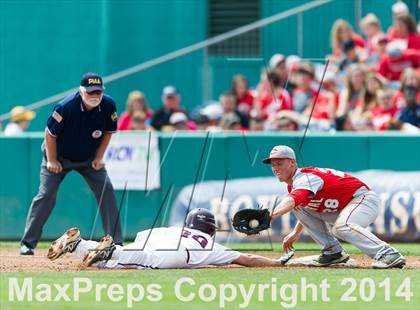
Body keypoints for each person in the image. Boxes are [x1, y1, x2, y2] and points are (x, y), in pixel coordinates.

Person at [19, 72, 123, 255]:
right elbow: (50, 134)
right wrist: (51, 160)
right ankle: (27, 243)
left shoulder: (108, 105)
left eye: (98, 92)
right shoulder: (65, 106)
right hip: (58, 157)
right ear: (81, 91)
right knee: (46, 194)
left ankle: (116, 243)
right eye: (90, 92)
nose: (94, 96)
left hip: (88, 158)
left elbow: (108, 131)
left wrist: (99, 157)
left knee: (106, 190)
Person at [262, 145, 406, 268]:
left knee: (341, 226)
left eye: (279, 163)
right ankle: (333, 252)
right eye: (273, 164)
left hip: (363, 199)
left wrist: (270, 216)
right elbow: (304, 206)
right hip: (344, 206)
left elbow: (292, 200)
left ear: (292, 163)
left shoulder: (305, 178)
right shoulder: (295, 184)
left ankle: (388, 254)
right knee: (300, 206)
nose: (275, 168)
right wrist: (295, 233)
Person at [47, 208, 284, 269]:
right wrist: (276, 262)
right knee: (136, 259)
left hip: (152, 241)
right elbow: (248, 259)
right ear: (209, 229)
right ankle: (110, 251)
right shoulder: (211, 243)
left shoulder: (172, 227)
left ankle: (79, 245)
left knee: (117, 260)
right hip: (175, 255)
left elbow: (142, 238)